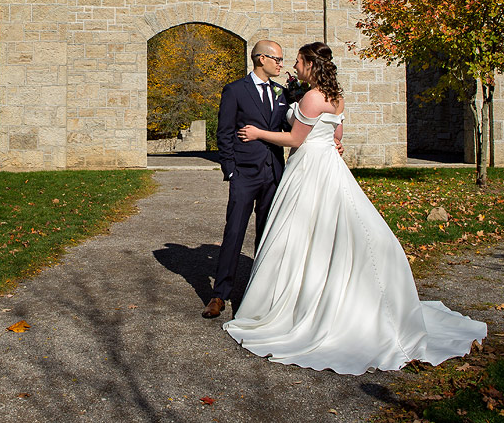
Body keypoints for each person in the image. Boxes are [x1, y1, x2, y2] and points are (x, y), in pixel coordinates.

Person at [222, 42, 486, 373]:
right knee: (334, 227)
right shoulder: (336, 97)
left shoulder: (311, 97)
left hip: (310, 169)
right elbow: (336, 136)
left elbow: (295, 140)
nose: (295, 66)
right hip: (330, 166)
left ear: (309, 64)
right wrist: (333, 141)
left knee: (301, 230)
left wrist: (259, 132)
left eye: (299, 62)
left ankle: (298, 298)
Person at [204, 40, 294, 319]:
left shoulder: (282, 92)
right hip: (244, 173)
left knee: (267, 234)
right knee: (234, 232)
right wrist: (231, 170)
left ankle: (260, 293)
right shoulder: (235, 90)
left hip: (273, 173)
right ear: (260, 59)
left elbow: (292, 127)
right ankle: (220, 294)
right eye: (277, 59)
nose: (281, 64)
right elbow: (225, 132)